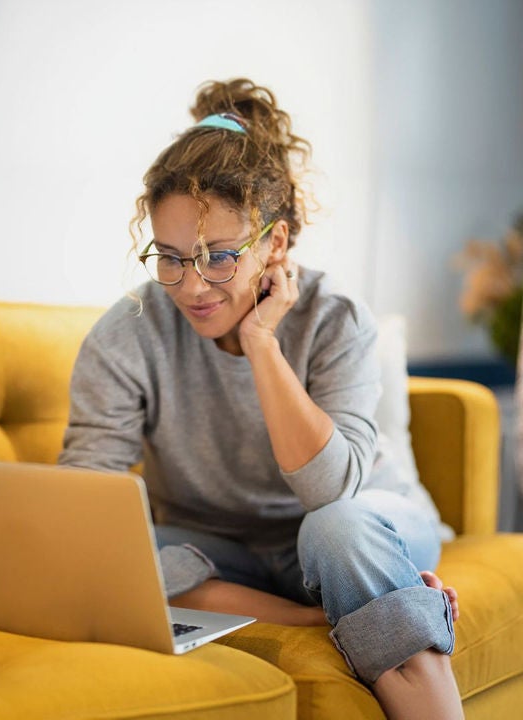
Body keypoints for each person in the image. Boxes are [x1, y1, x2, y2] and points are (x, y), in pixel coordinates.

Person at [58, 79, 462, 719]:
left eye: (218, 257)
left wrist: (262, 343)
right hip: (221, 550)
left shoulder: (337, 320)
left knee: (336, 530)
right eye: (169, 258)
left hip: (358, 526)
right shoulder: (126, 335)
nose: (192, 287)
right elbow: (84, 495)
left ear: (274, 243)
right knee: (116, 555)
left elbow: (332, 493)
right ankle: (318, 611)